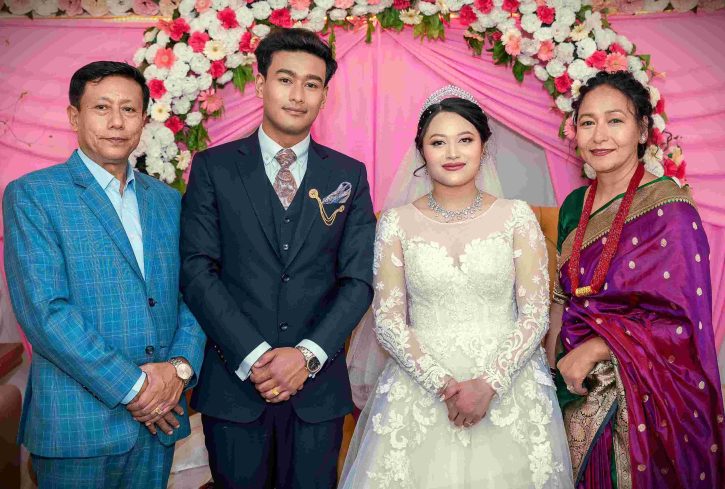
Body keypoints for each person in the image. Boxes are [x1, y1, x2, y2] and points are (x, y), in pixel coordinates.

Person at [340, 86, 573, 489]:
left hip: (507, 385)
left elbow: (535, 316)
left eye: (465, 139)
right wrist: (444, 386)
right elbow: (389, 322)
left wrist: (488, 384)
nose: (452, 153)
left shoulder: (516, 217)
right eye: (438, 142)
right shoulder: (395, 223)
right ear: (421, 151)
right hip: (421, 386)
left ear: (483, 146)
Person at [180, 28, 376, 488]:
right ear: (260, 84)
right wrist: (256, 355)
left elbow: (358, 280)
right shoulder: (213, 168)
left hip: (317, 393)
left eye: (312, 84)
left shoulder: (348, 175)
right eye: (286, 79)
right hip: (234, 387)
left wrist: (306, 356)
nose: (298, 94)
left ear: (324, 96)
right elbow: (197, 270)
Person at [3, 61, 205, 489]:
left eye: (129, 110)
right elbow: (45, 313)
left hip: (160, 420)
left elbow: (195, 293)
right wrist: (137, 388)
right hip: (78, 426)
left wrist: (179, 370)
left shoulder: (168, 201)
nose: (116, 122)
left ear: (144, 120)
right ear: (74, 116)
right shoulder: (33, 195)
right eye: (101, 108)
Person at [547, 70, 725, 488]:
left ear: (643, 129)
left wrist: (597, 347)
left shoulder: (671, 209)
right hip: (573, 388)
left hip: (646, 398)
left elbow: (682, 323)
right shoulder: (574, 205)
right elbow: (563, 298)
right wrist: (552, 372)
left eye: (615, 120)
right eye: (587, 122)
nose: (599, 136)